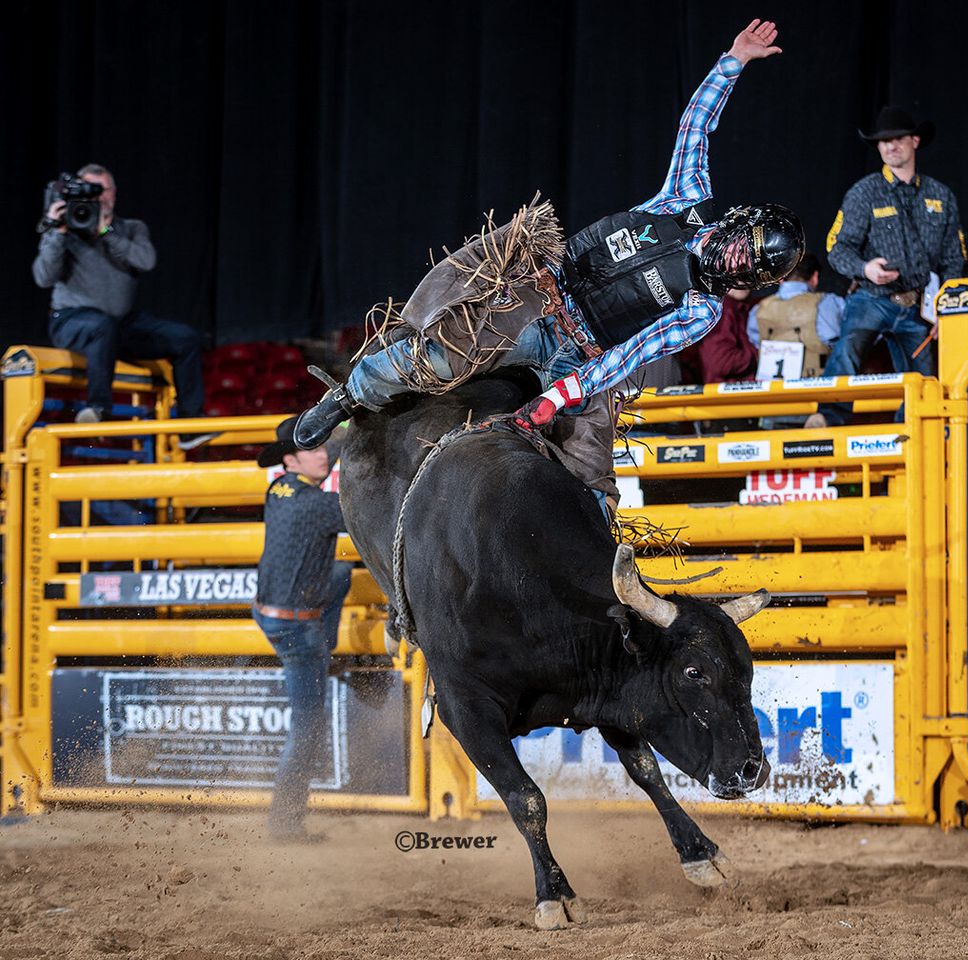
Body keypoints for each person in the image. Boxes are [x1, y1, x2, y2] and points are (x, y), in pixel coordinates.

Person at [293, 19, 803, 505]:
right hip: (539, 297)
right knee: (444, 353)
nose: (738, 261)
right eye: (746, 245)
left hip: (583, 358)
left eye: (751, 268)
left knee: (590, 464)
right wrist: (733, 61)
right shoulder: (684, 200)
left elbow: (629, 355)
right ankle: (348, 397)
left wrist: (558, 397)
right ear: (739, 222)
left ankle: (599, 560)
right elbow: (695, 127)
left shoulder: (703, 310)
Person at [31, 163, 212, 449]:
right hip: (71, 320)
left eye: (101, 190)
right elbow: (43, 277)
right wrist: (57, 232)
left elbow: (146, 261)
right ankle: (98, 411)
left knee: (186, 338)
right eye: (89, 191)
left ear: (114, 193)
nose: (97, 198)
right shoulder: (66, 228)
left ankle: (190, 425)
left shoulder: (131, 228)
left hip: (120, 323)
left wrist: (107, 231)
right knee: (103, 326)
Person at [806, 106, 964, 428]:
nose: (890, 146)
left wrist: (947, 308)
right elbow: (836, 247)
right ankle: (826, 417)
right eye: (883, 141)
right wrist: (866, 269)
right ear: (877, 147)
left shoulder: (941, 196)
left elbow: (953, 259)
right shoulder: (864, 192)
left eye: (897, 139)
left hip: (919, 303)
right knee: (848, 347)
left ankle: (915, 435)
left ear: (915, 141)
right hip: (873, 295)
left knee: (925, 379)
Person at [253, 416, 351, 841]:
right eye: (313, 449)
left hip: (270, 610)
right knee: (308, 722)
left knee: (342, 573)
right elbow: (359, 514)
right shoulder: (317, 506)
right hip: (296, 627)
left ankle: (327, 649)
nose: (323, 453)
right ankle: (285, 821)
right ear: (291, 460)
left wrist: (349, 424)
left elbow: (339, 446)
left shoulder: (278, 490)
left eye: (322, 445)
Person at [747, 252, 844, 378]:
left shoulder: (759, 309)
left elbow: (756, 342)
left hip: (771, 391)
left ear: (780, 279)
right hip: (817, 388)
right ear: (815, 277)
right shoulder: (826, 303)